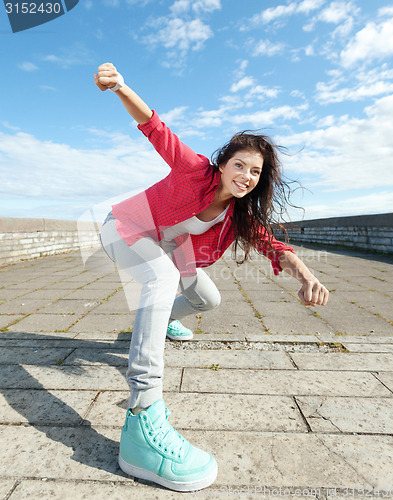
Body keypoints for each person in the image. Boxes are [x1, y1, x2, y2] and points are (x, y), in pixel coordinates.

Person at [95, 62, 329, 492]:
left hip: (169, 248)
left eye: (255, 172)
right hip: (125, 226)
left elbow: (274, 246)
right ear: (223, 164)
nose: (246, 176)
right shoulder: (194, 170)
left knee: (209, 299)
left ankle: (158, 319)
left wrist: (305, 274)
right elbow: (154, 126)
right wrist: (121, 87)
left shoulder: (239, 215)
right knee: (161, 280)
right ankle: (143, 414)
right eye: (240, 166)